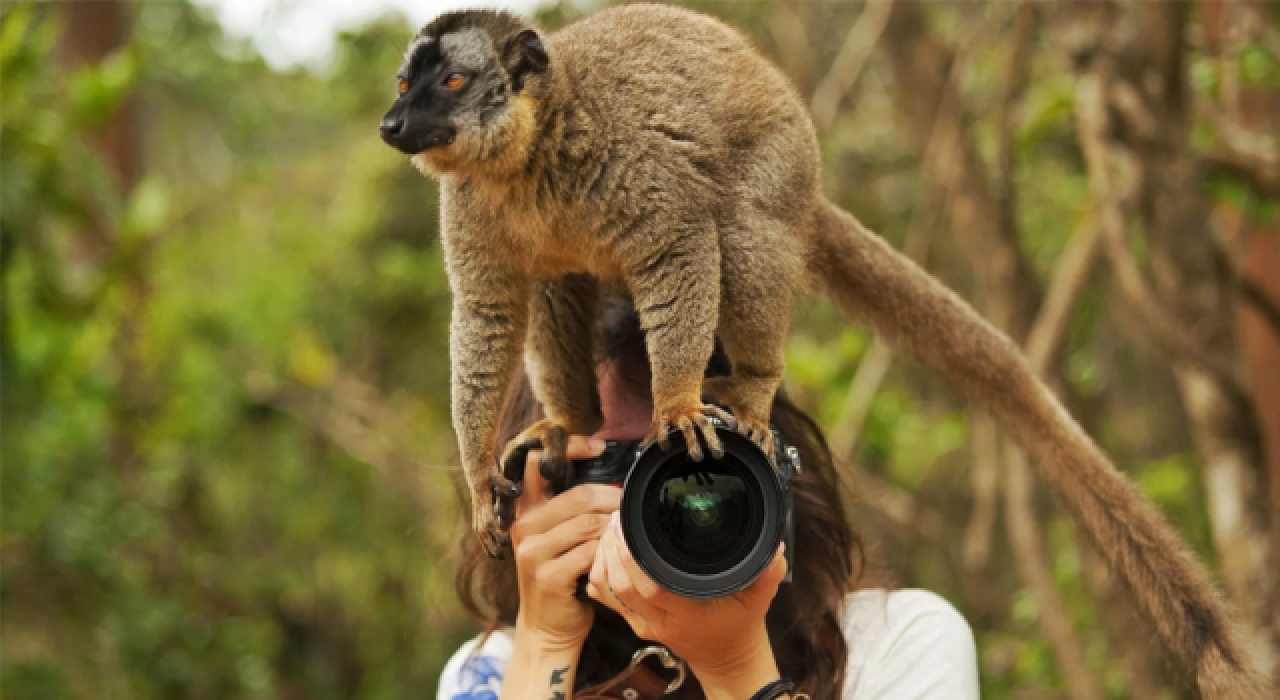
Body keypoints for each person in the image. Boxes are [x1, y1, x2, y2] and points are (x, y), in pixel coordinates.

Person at [438, 296, 979, 700]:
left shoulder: (894, 644)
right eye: (616, 465)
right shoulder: (493, 672)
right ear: (536, 490)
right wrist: (546, 645)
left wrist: (735, 663)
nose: (670, 503)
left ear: (773, 466)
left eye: (700, 459)